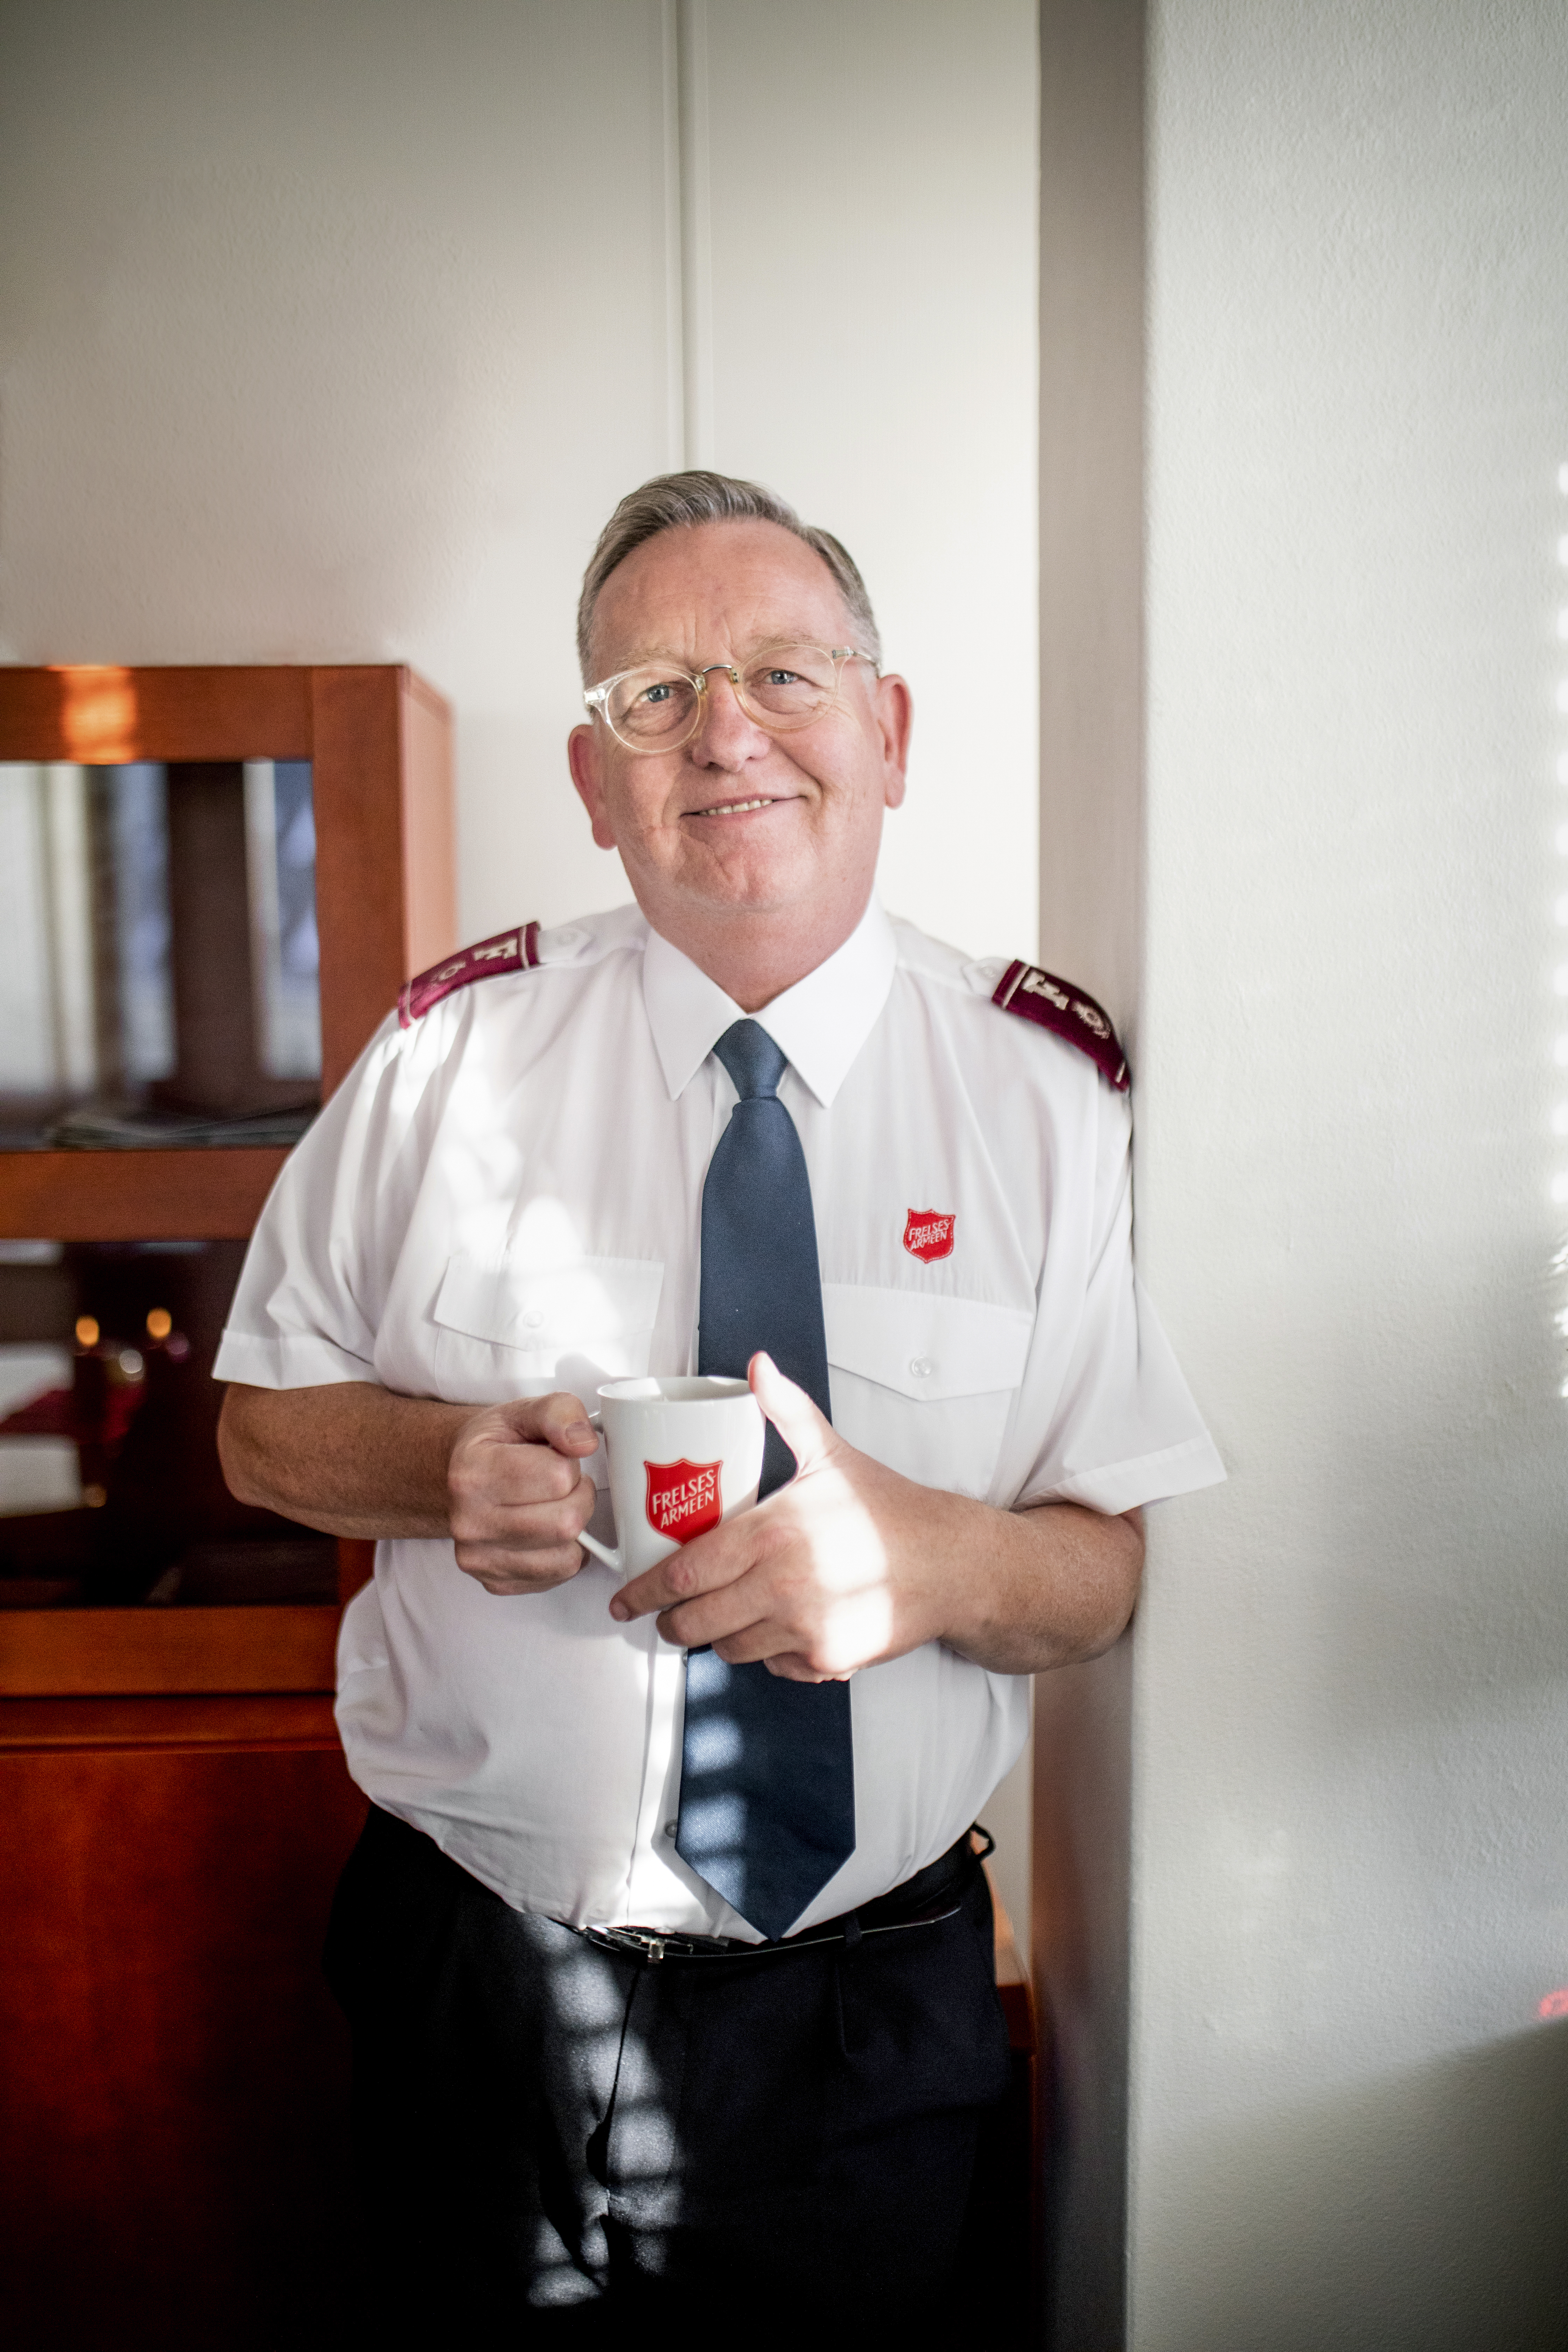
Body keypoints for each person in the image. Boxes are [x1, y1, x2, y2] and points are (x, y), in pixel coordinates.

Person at [215, 471, 1223, 2337]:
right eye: (653, 698)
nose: (725, 735)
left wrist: (937, 1564)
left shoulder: (1044, 1096)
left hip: (865, 2016)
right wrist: (441, 1466)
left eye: (784, 674)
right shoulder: (447, 1061)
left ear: (890, 732)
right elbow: (265, 1422)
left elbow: (1110, 1570)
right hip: (482, 1986)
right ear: (595, 785)